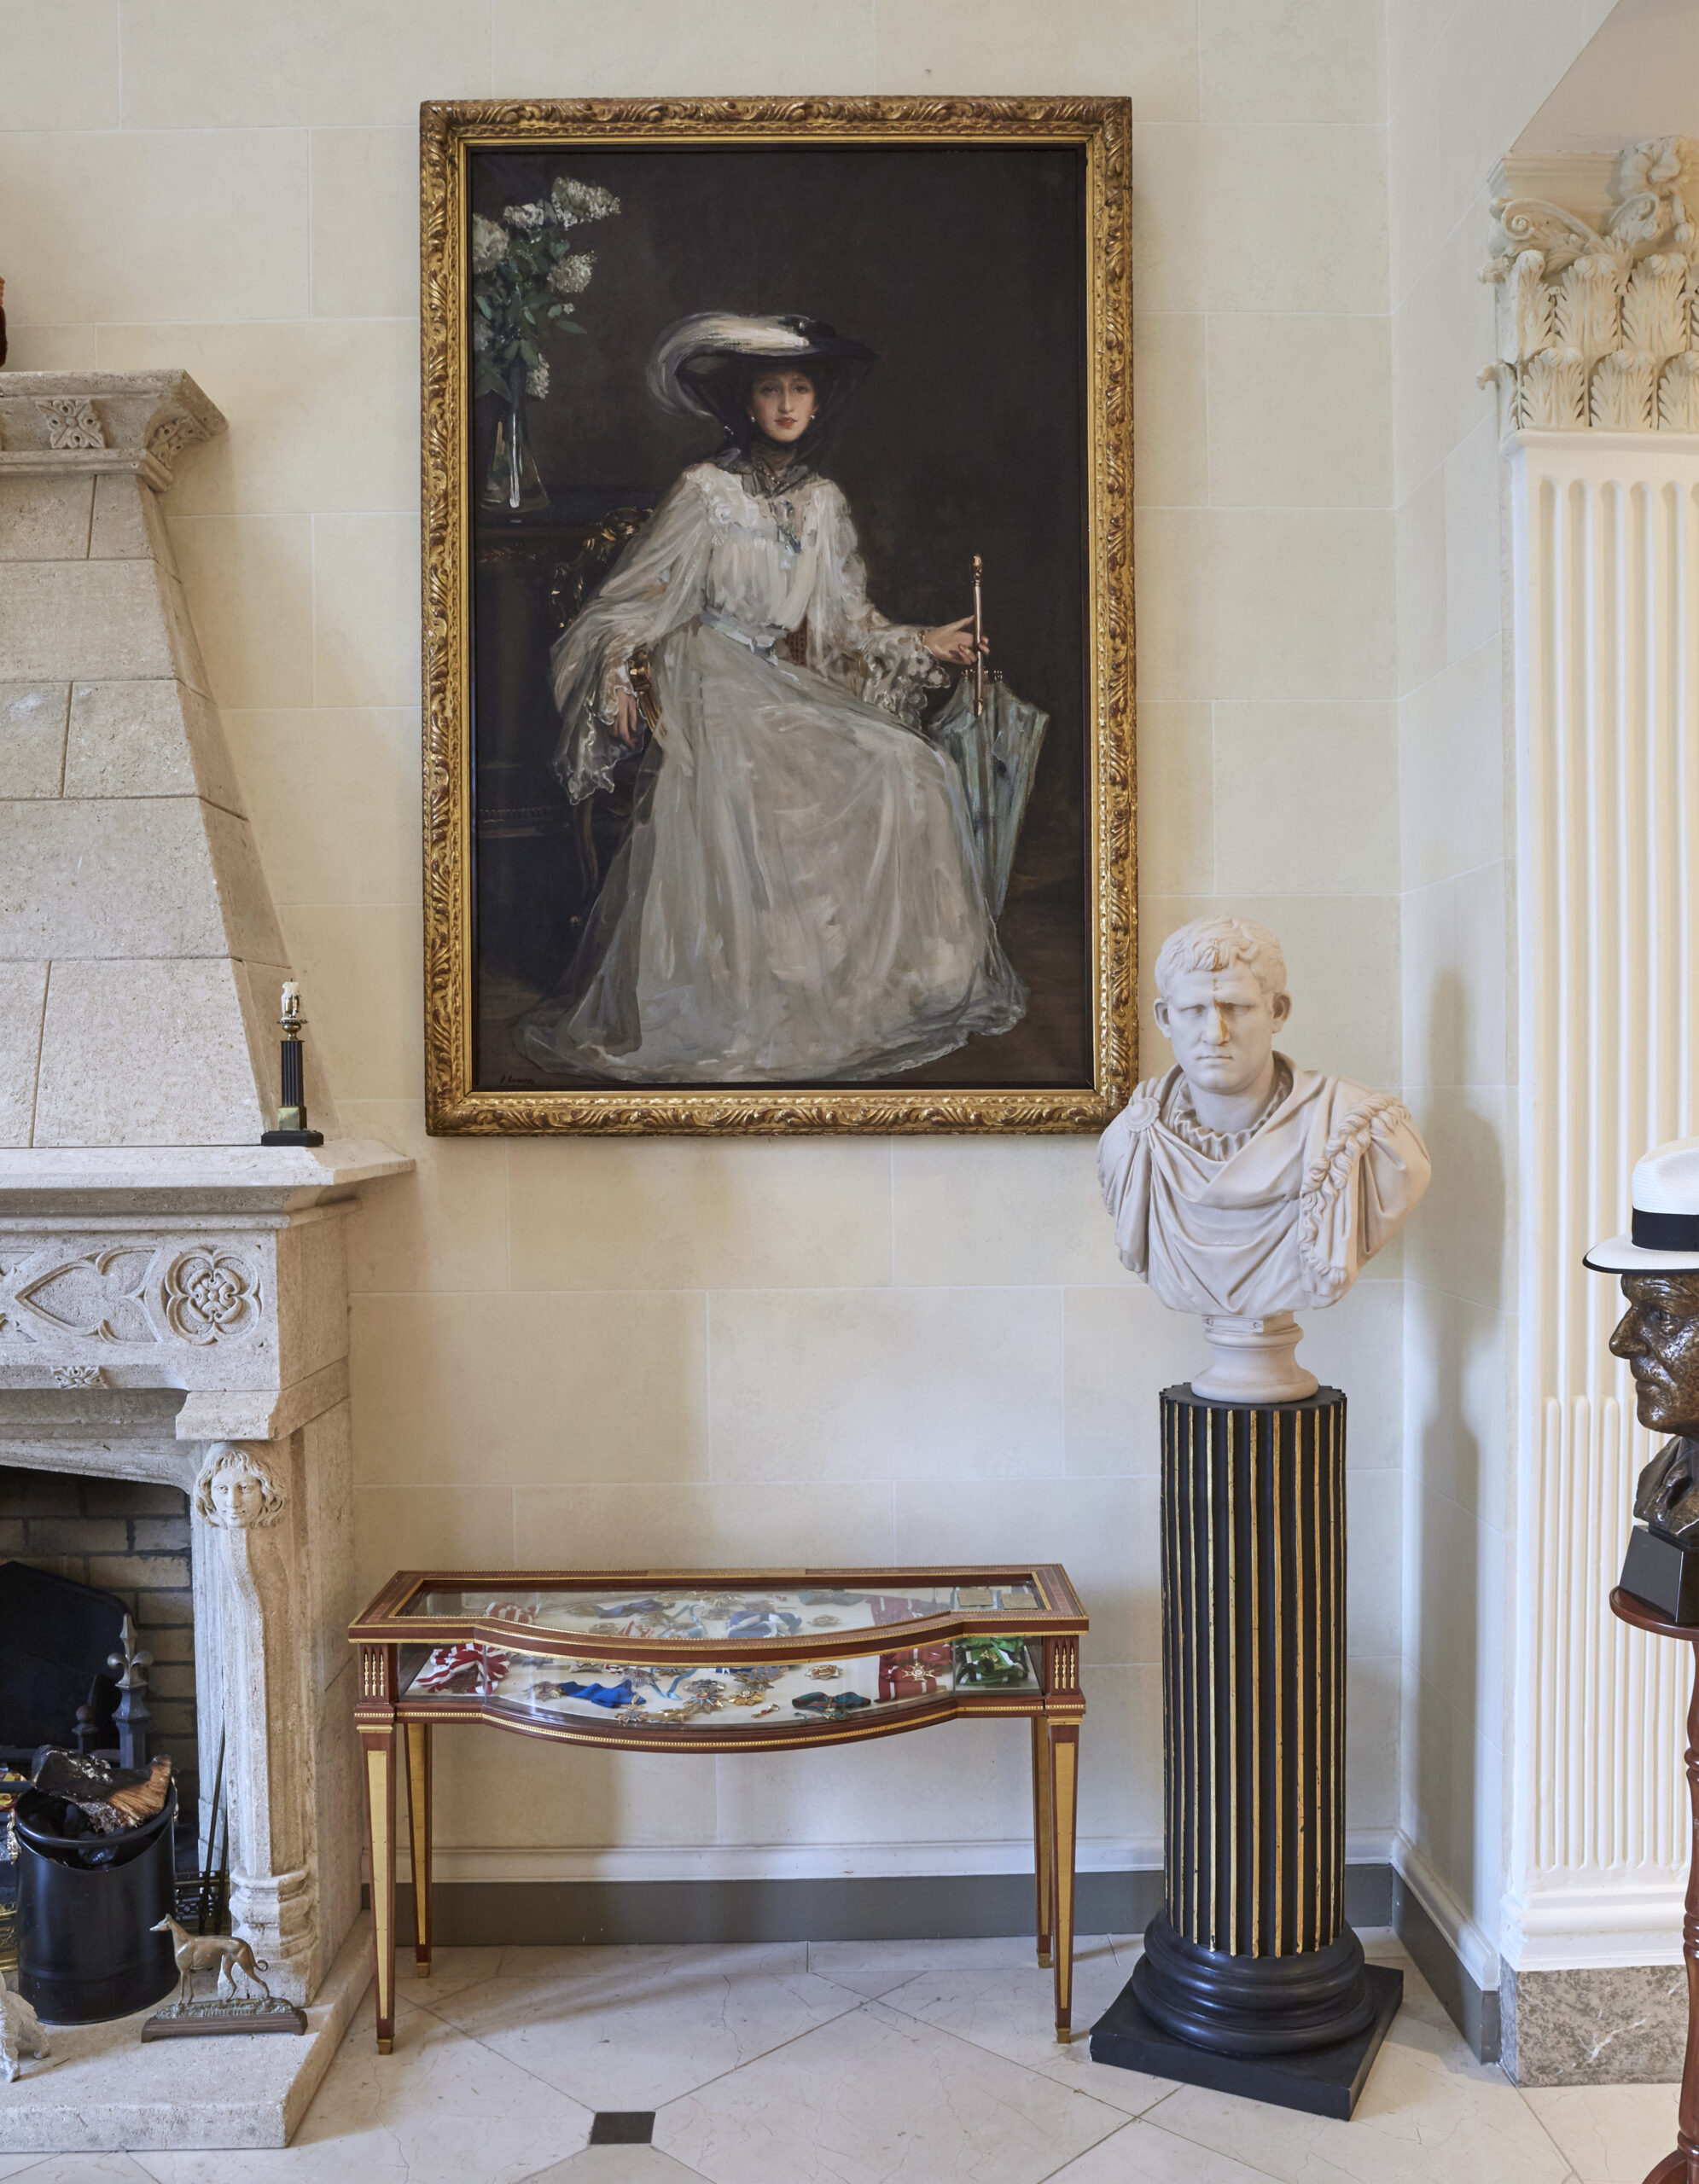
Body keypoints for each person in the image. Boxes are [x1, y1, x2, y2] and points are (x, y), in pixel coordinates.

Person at [516, 312, 1025, 1083]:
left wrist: (923, 641)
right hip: (705, 670)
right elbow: (631, 603)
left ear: (816, 405)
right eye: (768, 390)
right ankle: (737, 994)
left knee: (908, 765)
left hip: (782, 676)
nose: (785, 404)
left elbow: (847, 623)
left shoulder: (823, 503)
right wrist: (621, 671)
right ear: (744, 404)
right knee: (749, 781)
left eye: (799, 390)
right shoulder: (704, 491)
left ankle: (877, 987)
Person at [1097, 915, 1430, 1398]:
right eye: (1193, 1010)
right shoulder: (1131, 1144)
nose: (1215, 1032)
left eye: (1235, 1007)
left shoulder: (1366, 1132)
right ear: (1164, 1018)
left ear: (1277, 1011)